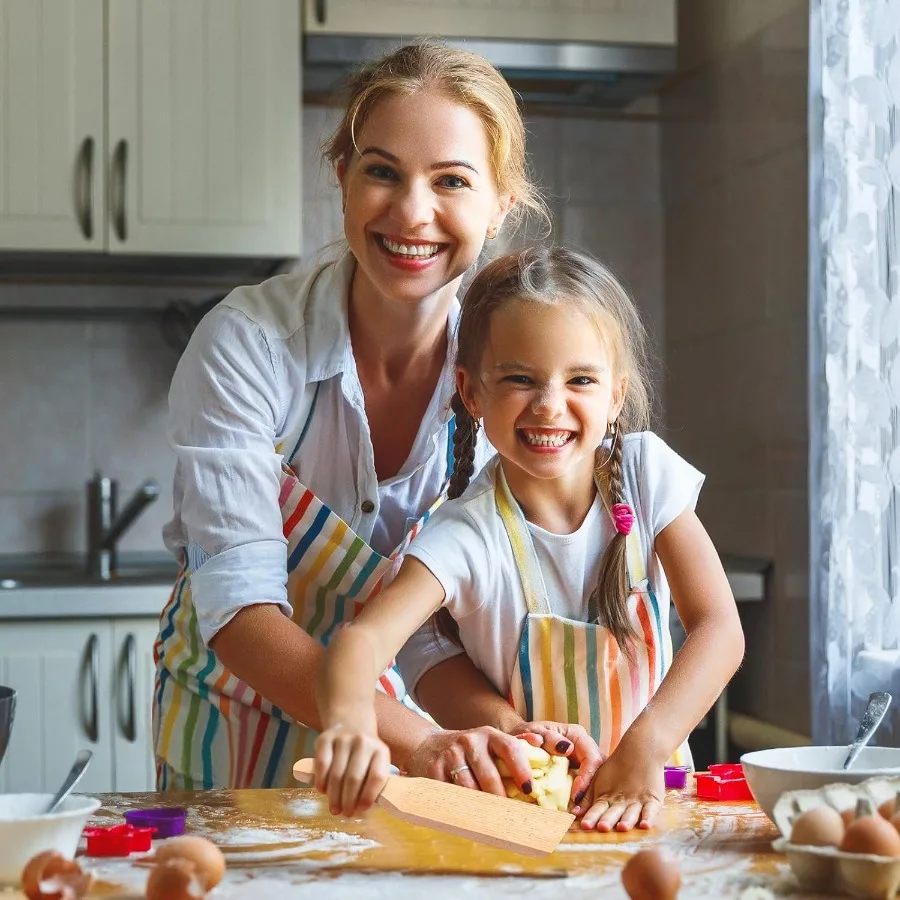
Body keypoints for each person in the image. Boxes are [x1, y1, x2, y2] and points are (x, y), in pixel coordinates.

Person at [153, 41, 601, 795]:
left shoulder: (508, 374)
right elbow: (241, 617)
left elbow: (432, 633)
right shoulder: (249, 345)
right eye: (382, 171)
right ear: (342, 179)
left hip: (392, 744)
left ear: (501, 206)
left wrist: (501, 734)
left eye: (452, 181)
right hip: (226, 737)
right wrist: (425, 744)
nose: (411, 212)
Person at [313, 246, 746, 832]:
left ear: (615, 394)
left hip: (650, 802)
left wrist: (647, 744)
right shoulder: (468, 533)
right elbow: (363, 642)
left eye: (580, 379)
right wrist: (347, 721)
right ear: (471, 392)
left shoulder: (645, 476)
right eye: (520, 378)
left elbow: (719, 627)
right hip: (518, 822)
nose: (549, 405)